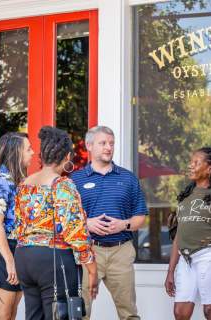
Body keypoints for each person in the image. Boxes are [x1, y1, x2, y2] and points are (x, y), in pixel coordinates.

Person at [13, 126, 98, 320]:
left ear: (42, 155)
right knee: (60, 314)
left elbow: (17, 225)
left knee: (34, 316)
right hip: (54, 259)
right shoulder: (62, 185)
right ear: (67, 156)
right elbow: (74, 232)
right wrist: (92, 268)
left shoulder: (24, 185)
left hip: (24, 257)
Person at [71, 125, 148, 320]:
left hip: (120, 252)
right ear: (89, 145)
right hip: (88, 251)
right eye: (103, 143)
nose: (108, 147)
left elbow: (140, 217)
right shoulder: (75, 180)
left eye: (111, 143)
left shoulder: (128, 178)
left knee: (129, 313)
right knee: (80, 312)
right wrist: (86, 223)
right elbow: (65, 219)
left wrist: (124, 224)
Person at [164, 147, 211, 320]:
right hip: (186, 259)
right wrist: (170, 270)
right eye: (191, 162)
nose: (191, 166)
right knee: (180, 312)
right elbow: (179, 234)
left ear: (210, 169)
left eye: (196, 162)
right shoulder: (186, 195)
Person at [0, 132, 34, 320]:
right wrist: (10, 261)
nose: (32, 153)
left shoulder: (17, 181)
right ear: (15, 153)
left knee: (11, 313)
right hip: (0, 251)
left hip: (15, 250)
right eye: (28, 149)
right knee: (1, 315)